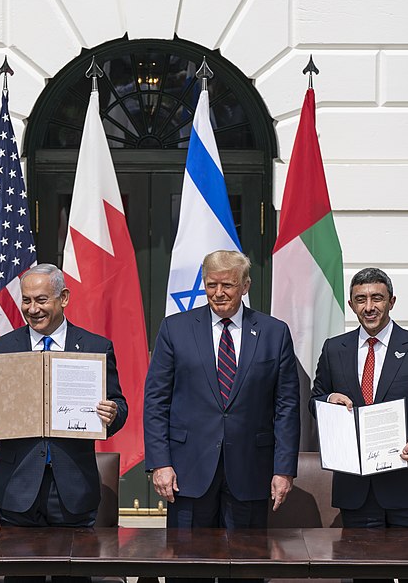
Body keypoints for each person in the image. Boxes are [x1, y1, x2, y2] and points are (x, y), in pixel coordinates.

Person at [144, 249, 300, 580]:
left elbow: (287, 406)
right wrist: (160, 463)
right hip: (188, 473)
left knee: (245, 570)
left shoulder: (274, 332)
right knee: (187, 570)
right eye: (211, 284)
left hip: (251, 472)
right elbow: (156, 400)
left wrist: (284, 469)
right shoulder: (176, 329)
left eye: (227, 285)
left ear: (245, 286)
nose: (218, 293)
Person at [0, 264, 126, 582]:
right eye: (26, 301)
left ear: (63, 298)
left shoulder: (95, 347)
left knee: (73, 575)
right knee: (21, 577)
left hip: (73, 487)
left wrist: (113, 414)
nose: (32, 309)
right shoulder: (1, 349)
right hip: (19, 487)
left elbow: (119, 405)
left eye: (41, 299)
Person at [310, 267, 408, 583]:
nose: (369, 306)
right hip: (358, 494)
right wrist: (327, 399)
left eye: (377, 298)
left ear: (392, 301)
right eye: (361, 299)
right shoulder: (334, 349)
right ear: (351, 304)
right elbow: (315, 399)